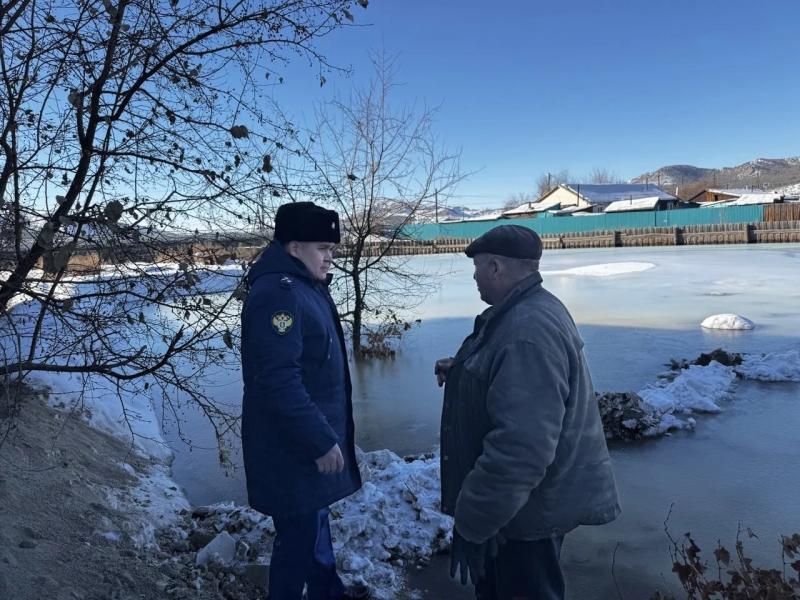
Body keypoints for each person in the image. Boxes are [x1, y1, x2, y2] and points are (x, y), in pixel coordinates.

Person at [434, 224, 621, 600]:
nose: (474, 276)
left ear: (496, 267)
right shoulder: (531, 308)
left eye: (477, 267)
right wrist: (464, 372)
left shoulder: (526, 331)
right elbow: (518, 384)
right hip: (519, 508)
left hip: (524, 516)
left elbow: (521, 449)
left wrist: (474, 524)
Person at [241, 201, 364, 600]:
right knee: (298, 542)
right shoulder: (279, 295)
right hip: (292, 447)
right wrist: (320, 440)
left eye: (333, 248)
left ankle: (329, 593)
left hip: (304, 443)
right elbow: (277, 380)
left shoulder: (304, 286)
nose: (330, 257)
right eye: (322, 248)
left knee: (313, 528)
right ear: (294, 248)